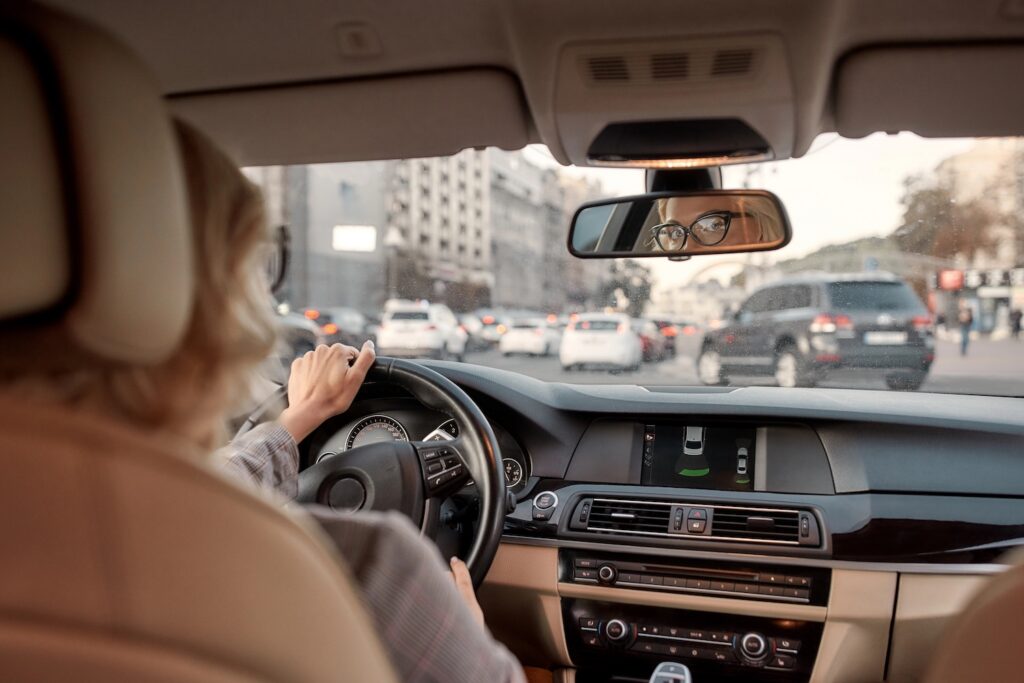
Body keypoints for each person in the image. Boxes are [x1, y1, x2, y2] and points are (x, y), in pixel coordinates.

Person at [11, 118, 524, 683]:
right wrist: (468, 638)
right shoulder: (368, 573)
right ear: (220, 309)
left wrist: (299, 419)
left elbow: (215, 481)